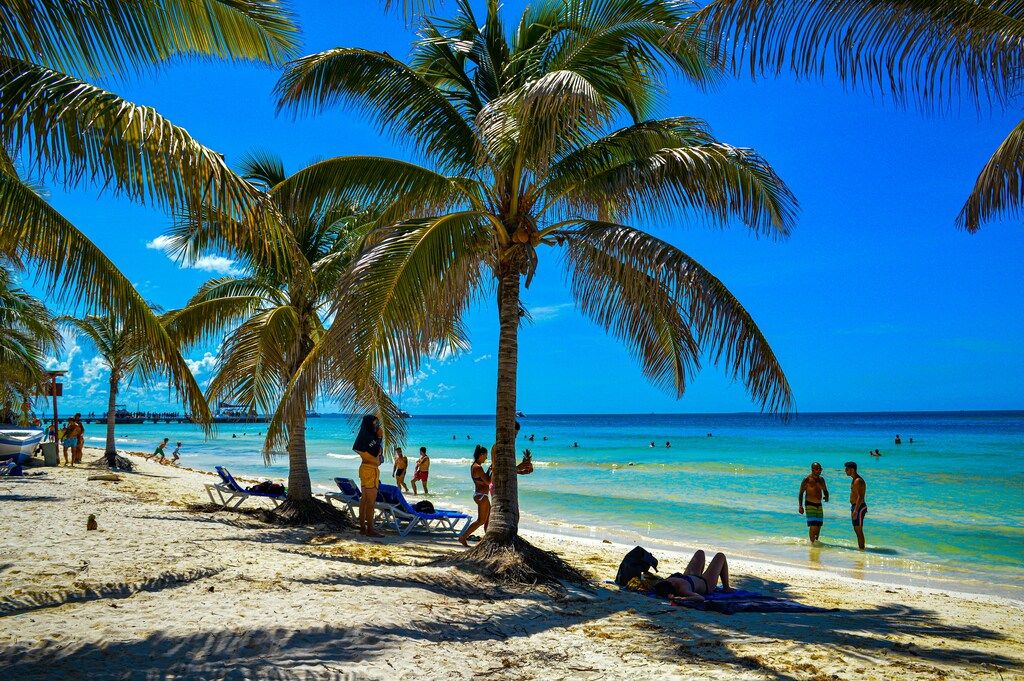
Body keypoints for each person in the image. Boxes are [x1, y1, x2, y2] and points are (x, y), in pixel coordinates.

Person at [652, 550, 734, 602]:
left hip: (690, 576)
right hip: (706, 584)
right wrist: (682, 598)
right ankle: (726, 588)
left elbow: (655, 584)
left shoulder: (666, 582)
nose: (672, 581)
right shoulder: (683, 590)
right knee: (720, 556)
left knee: (700, 552)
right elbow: (701, 598)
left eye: (670, 580)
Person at [353, 414, 384, 537]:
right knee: (370, 502)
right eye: (375, 423)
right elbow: (375, 451)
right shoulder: (371, 439)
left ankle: (363, 528)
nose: (377, 426)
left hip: (364, 468)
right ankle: (370, 529)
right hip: (371, 470)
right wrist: (379, 437)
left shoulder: (362, 437)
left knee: (364, 500)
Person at [458, 445, 491, 546]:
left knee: (488, 519)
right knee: (481, 520)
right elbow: (488, 481)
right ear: (481, 455)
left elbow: (483, 478)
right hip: (481, 496)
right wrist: (493, 471)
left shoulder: (475, 466)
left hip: (480, 495)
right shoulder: (478, 467)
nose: (486, 458)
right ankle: (463, 537)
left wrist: (489, 470)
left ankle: (487, 539)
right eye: (485, 455)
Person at [798, 462, 830, 543]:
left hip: (819, 505)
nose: (820, 471)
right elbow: (801, 493)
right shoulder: (807, 479)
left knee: (819, 525)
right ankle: (812, 544)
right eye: (818, 469)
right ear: (813, 470)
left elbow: (825, 490)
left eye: (820, 469)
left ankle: (816, 543)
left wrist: (826, 497)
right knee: (813, 525)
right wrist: (800, 506)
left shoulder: (821, 479)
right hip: (809, 504)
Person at [845, 461, 868, 550]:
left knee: (858, 530)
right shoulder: (854, 479)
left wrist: (856, 510)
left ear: (852, 469)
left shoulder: (858, 480)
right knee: (856, 529)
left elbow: (860, 496)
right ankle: (861, 549)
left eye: (847, 469)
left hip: (859, 507)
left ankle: (862, 550)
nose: (845, 471)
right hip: (856, 506)